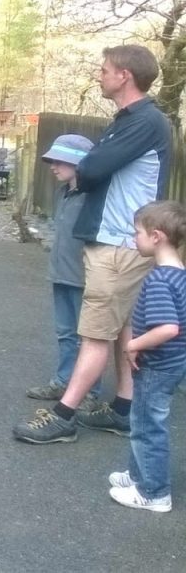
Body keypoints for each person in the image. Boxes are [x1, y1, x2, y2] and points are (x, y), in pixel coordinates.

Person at [13, 44, 173, 444]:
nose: (99, 75)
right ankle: (122, 409)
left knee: (96, 334)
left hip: (119, 244)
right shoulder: (130, 120)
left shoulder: (145, 121)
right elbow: (90, 168)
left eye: (104, 70)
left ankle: (63, 416)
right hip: (123, 241)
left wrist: (86, 170)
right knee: (122, 331)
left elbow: (93, 168)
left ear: (125, 76)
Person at [107, 200, 186, 512]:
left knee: (147, 426)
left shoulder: (158, 279)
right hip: (172, 364)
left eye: (136, 232)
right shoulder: (180, 274)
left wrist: (134, 345)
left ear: (157, 237)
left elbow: (168, 327)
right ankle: (139, 473)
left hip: (156, 366)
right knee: (144, 421)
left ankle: (153, 493)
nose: (133, 238)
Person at [26, 134, 101, 406]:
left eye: (60, 161)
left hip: (84, 278)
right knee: (65, 333)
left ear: (78, 163)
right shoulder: (64, 193)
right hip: (61, 274)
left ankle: (89, 393)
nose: (53, 166)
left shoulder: (92, 196)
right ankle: (63, 382)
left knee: (88, 338)